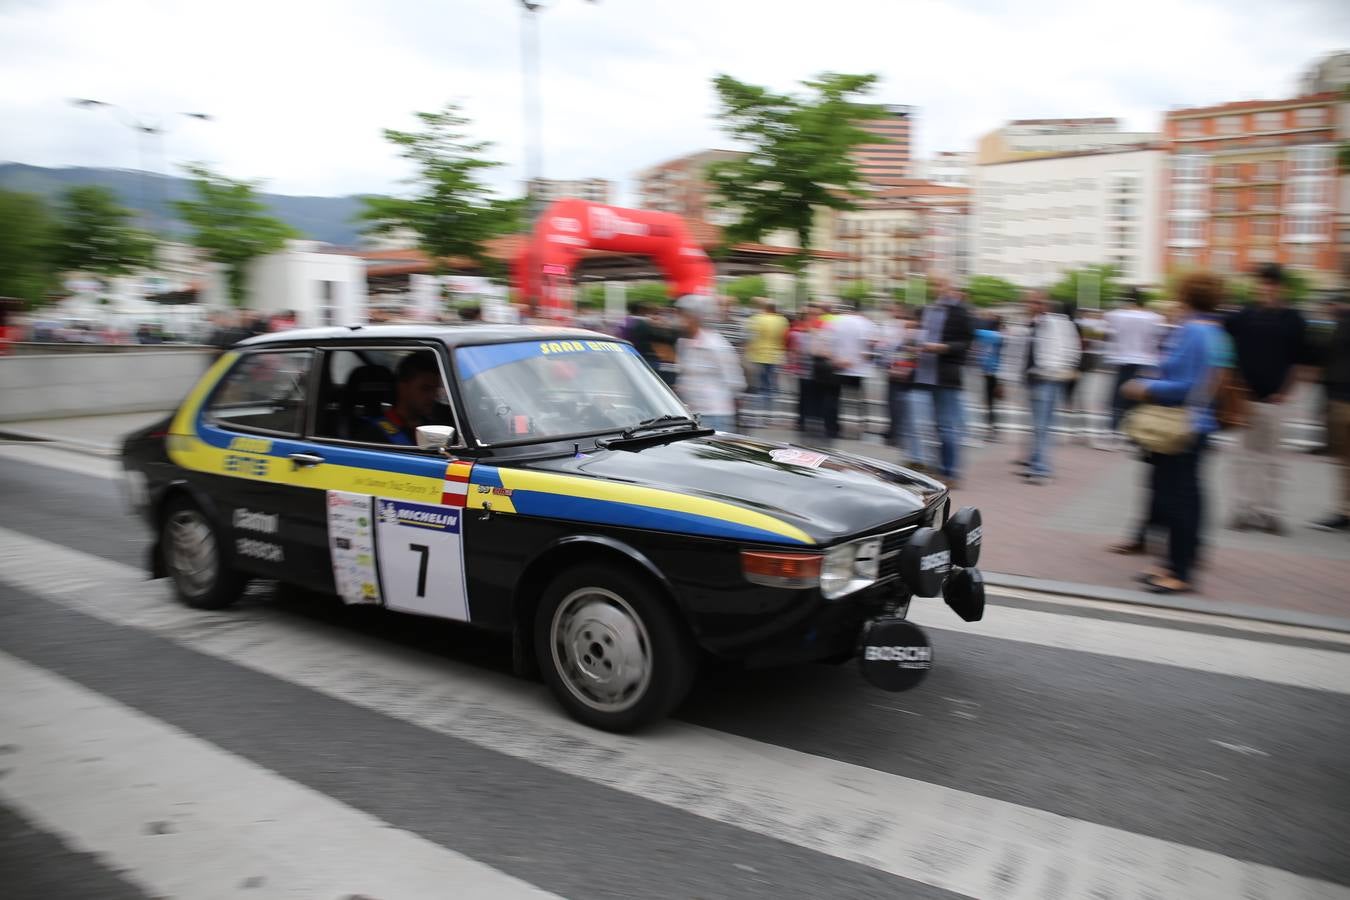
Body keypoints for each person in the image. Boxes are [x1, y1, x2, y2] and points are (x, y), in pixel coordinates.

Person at [1120, 272, 1227, 594]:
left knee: (1175, 500)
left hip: (1179, 426)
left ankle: (1179, 572)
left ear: (1186, 295)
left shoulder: (1193, 331)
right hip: (1199, 423)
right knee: (1188, 498)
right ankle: (1176, 562)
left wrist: (1144, 386)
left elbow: (1183, 385)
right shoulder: (1216, 332)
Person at [1225, 263, 1307, 534]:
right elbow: (1226, 347)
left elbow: (1300, 361)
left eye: (1272, 283)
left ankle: (1270, 513)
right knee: (1243, 457)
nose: (1266, 288)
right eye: (1262, 283)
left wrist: (1286, 392)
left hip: (1276, 400)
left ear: (1281, 287)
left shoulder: (1293, 319)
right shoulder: (1244, 316)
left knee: (1273, 460)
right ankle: (1242, 510)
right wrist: (1236, 386)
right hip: (1246, 398)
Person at [913, 278, 974, 486]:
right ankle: (939, 469)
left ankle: (950, 473)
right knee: (935, 426)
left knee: (947, 426)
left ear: (951, 288)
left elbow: (966, 343)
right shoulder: (930, 309)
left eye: (941, 285)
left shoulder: (961, 311)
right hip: (927, 373)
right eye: (934, 285)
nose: (937, 289)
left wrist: (943, 347)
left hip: (947, 375)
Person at [1018, 292, 1081, 485]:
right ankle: (1036, 462)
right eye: (1029, 302)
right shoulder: (1035, 323)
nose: (1031, 305)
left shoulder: (1056, 323)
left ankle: (1042, 469)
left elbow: (1072, 349)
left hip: (1047, 378)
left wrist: (1054, 369)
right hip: (1038, 377)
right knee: (1040, 426)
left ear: (1045, 304)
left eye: (1035, 302)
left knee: (1042, 426)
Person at [1102, 287, 1164, 448]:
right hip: (1146, 361)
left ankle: (1114, 433)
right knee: (1139, 399)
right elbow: (1159, 337)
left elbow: (1105, 325)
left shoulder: (1117, 315)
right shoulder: (1154, 317)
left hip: (1124, 360)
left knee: (1118, 397)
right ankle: (1135, 436)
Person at [674, 295, 744, 433]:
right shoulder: (684, 343)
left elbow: (735, 381)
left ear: (694, 318)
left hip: (714, 415)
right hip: (691, 413)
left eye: (682, 316)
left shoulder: (716, 344)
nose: (678, 321)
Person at [1310, 294, 1350, 531]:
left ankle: (1344, 511)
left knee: (1345, 461)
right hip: (1339, 399)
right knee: (1345, 461)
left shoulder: (1338, 327)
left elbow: (1323, 360)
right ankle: (1344, 510)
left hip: (1340, 400)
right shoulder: (1338, 325)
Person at [354, 352, 443, 446]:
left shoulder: (435, 427)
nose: (433, 396)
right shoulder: (374, 435)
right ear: (403, 388)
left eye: (435, 389)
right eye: (425, 388)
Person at [823, 299, 877, 440]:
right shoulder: (866, 323)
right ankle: (861, 427)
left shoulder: (834, 322)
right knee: (858, 400)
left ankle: (832, 429)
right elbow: (872, 345)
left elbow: (825, 342)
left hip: (838, 366)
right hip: (858, 369)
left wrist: (835, 359)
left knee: (832, 398)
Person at [745, 298, 789, 423]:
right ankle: (768, 413)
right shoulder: (782, 320)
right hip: (775, 356)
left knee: (757, 385)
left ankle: (757, 413)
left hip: (758, 355)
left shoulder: (757, 319)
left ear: (765, 308)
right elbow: (785, 337)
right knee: (770, 386)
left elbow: (751, 337)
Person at [971, 313, 1004, 441]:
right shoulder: (1000, 336)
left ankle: (991, 429)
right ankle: (993, 429)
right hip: (998, 371)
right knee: (992, 402)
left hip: (988, 372)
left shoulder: (984, 334)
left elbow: (973, 330)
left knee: (989, 401)